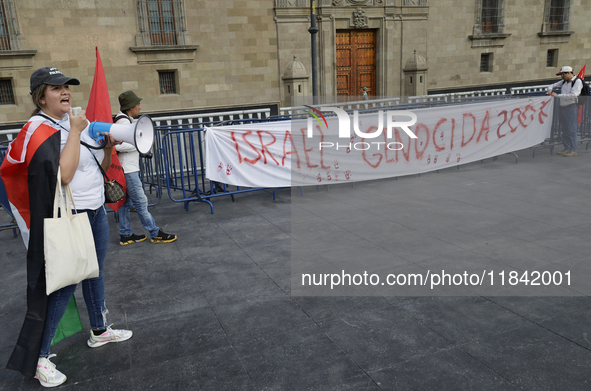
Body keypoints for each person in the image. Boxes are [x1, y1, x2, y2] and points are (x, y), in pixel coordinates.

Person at [0, 67, 132, 388]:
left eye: (67, 86)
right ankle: (39, 358)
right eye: (55, 87)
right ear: (40, 96)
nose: (65, 91)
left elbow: (96, 168)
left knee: (95, 272)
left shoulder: (74, 125)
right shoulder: (39, 128)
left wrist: (108, 147)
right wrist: (74, 131)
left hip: (95, 210)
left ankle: (99, 330)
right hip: (69, 216)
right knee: (65, 284)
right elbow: (66, 175)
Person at [114, 90, 177, 245]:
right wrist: (138, 145)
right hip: (128, 170)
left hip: (126, 169)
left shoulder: (125, 120)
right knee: (141, 203)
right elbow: (118, 145)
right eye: (138, 104)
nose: (140, 107)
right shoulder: (123, 122)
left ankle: (126, 234)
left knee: (125, 204)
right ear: (130, 107)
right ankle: (155, 233)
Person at [547, 65, 583, 157]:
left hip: (571, 107)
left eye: (563, 75)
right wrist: (550, 89)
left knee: (571, 129)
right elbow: (552, 85)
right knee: (565, 129)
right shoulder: (564, 81)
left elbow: (574, 94)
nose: (562, 77)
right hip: (563, 107)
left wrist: (558, 96)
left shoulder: (577, 81)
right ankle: (567, 148)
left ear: (568, 73)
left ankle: (573, 149)